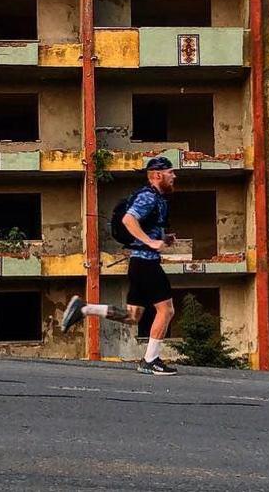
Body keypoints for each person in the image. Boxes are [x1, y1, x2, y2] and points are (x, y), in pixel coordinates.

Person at [60, 155, 178, 375]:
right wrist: (150, 241)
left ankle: (84, 309)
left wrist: (164, 238)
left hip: (139, 263)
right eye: (171, 172)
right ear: (157, 175)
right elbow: (128, 220)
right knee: (166, 310)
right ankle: (150, 360)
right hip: (146, 263)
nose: (174, 176)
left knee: (133, 316)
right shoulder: (148, 197)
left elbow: (144, 225)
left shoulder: (158, 199)